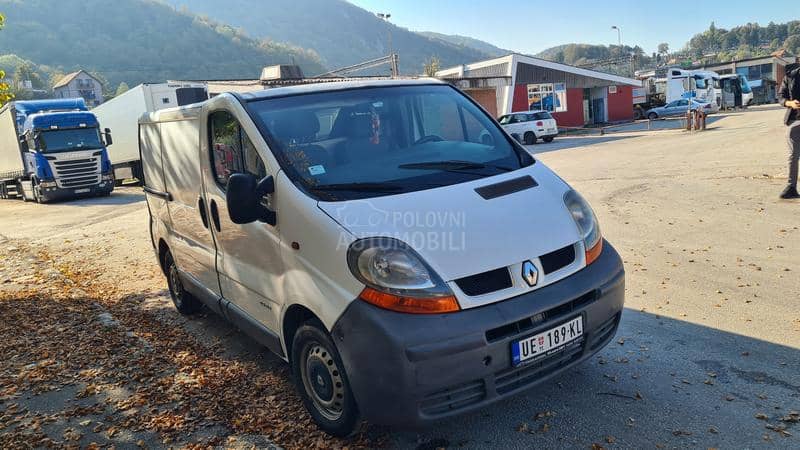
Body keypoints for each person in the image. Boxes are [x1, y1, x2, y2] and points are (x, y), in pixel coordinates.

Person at [779, 63, 800, 199]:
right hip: (795, 119)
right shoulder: (790, 75)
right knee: (793, 153)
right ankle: (791, 186)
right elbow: (781, 97)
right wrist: (790, 103)